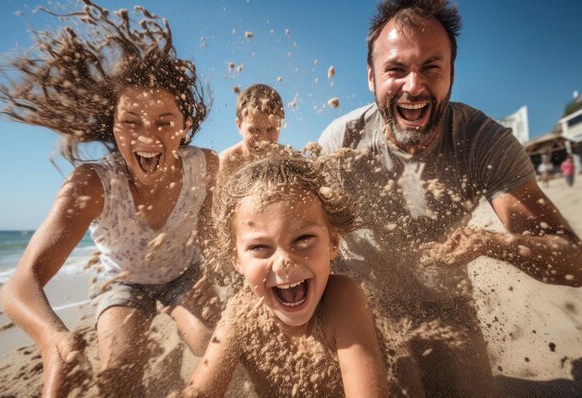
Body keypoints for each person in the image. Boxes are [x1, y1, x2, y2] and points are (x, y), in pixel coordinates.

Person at [317, 0, 582, 396]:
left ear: (452, 75)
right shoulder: (343, 141)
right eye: (396, 69)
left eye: (430, 67)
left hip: (448, 304)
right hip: (365, 305)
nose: (413, 85)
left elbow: (573, 263)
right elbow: (310, 237)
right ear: (371, 77)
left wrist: (494, 244)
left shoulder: (482, 142)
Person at [0, 2, 219, 396]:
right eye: (131, 122)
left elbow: (214, 229)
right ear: (113, 126)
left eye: (164, 122)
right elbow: (20, 283)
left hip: (184, 273)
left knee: (214, 347)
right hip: (123, 282)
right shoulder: (93, 185)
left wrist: (213, 270)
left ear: (185, 124)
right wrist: (52, 340)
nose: (148, 138)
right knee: (120, 372)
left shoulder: (205, 166)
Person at [184, 155, 389, 397]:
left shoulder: (343, 298)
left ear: (333, 242)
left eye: (302, 239)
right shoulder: (240, 316)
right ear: (237, 260)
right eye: (259, 247)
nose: (283, 264)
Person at [219, 83, 285, 177]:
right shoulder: (226, 163)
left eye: (270, 129)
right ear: (239, 126)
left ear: (279, 125)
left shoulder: (289, 159)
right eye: (254, 130)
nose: (263, 139)